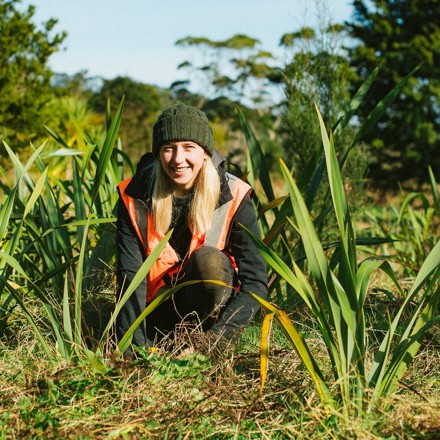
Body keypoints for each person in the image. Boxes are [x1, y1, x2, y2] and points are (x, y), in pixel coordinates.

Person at [115, 103, 268, 352]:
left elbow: (255, 283)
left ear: (205, 152)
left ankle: (198, 345)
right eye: (168, 149)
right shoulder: (134, 195)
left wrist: (214, 342)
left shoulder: (236, 195)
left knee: (209, 261)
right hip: (155, 314)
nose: (178, 159)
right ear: (157, 153)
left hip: (211, 322)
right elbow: (130, 277)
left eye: (189, 147)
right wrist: (133, 349)